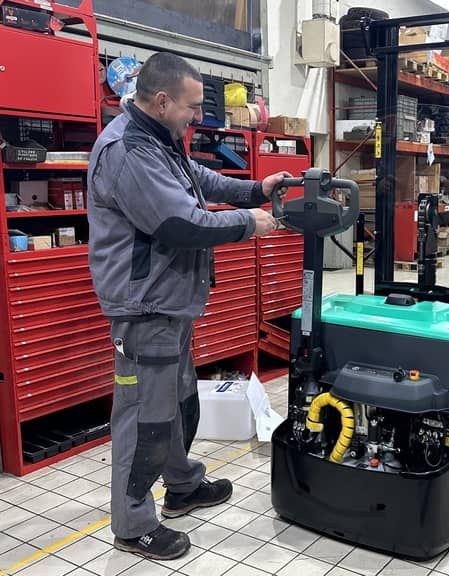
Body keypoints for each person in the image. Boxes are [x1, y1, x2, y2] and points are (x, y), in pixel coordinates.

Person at [87, 52, 291, 561]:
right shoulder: (128, 152)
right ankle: (133, 526)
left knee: (177, 403)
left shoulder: (158, 138)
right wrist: (251, 222)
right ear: (162, 100)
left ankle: (181, 485)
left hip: (170, 301)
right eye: (193, 107)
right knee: (143, 417)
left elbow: (196, 179)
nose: (198, 116)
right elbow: (178, 224)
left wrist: (254, 187)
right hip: (144, 306)